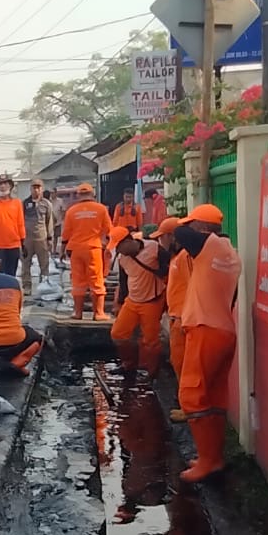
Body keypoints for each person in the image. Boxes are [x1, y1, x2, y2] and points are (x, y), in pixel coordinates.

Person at [172, 204, 241, 483]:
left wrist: (189, 226)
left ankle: (209, 461)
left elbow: (178, 231)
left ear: (202, 229)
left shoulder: (210, 246)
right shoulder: (230, 254)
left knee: (192, 396)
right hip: (223, 329)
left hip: (205, 329)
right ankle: (211, 457)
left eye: (193, 225)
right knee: (213, 397)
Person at [110, 227, 170, 382]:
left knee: (151, 342)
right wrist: (119, 302)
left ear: (128, 240)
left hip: (153, 301)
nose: (118, 251)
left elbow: (168, 270)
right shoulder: (122, 258)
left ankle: (151, 373)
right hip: (133, 300)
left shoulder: (154, 248)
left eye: (119, 246)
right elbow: (123, 281)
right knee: (118, 334)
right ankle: (128, 364)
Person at [154, 217, 192, 421]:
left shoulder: (185, 258)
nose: (160, 242)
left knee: (184, 365)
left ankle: (188, 408)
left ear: (170, 236)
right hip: (176, 316)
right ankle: (185, 404)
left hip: (182, 318)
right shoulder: (176, 258)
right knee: (178, 363)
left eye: (162, 238)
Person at [59, 183, 112, 321]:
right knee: (96, 280)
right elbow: (109, 230)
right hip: (94, 249)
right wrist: (110, 247)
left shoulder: (71, 211)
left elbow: (65, 234)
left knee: (78, 282)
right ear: (92, 194)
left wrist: (61, 250)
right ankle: (99, 313)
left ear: (78, 195)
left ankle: (77, 313)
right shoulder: (101, 209)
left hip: (75, 250)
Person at [21, 180, 55, 294]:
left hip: (42, 238)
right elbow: (20, 221)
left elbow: (49, 221)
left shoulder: (46, 204)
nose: (36, 190)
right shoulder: (24, 203)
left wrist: (50, 238)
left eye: (38, 187)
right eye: (34, 187)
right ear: (30, 189)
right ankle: (26, 286)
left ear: (41, 189)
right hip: (27, 239)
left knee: (44, 264)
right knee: (26, 263)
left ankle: (44, 285)